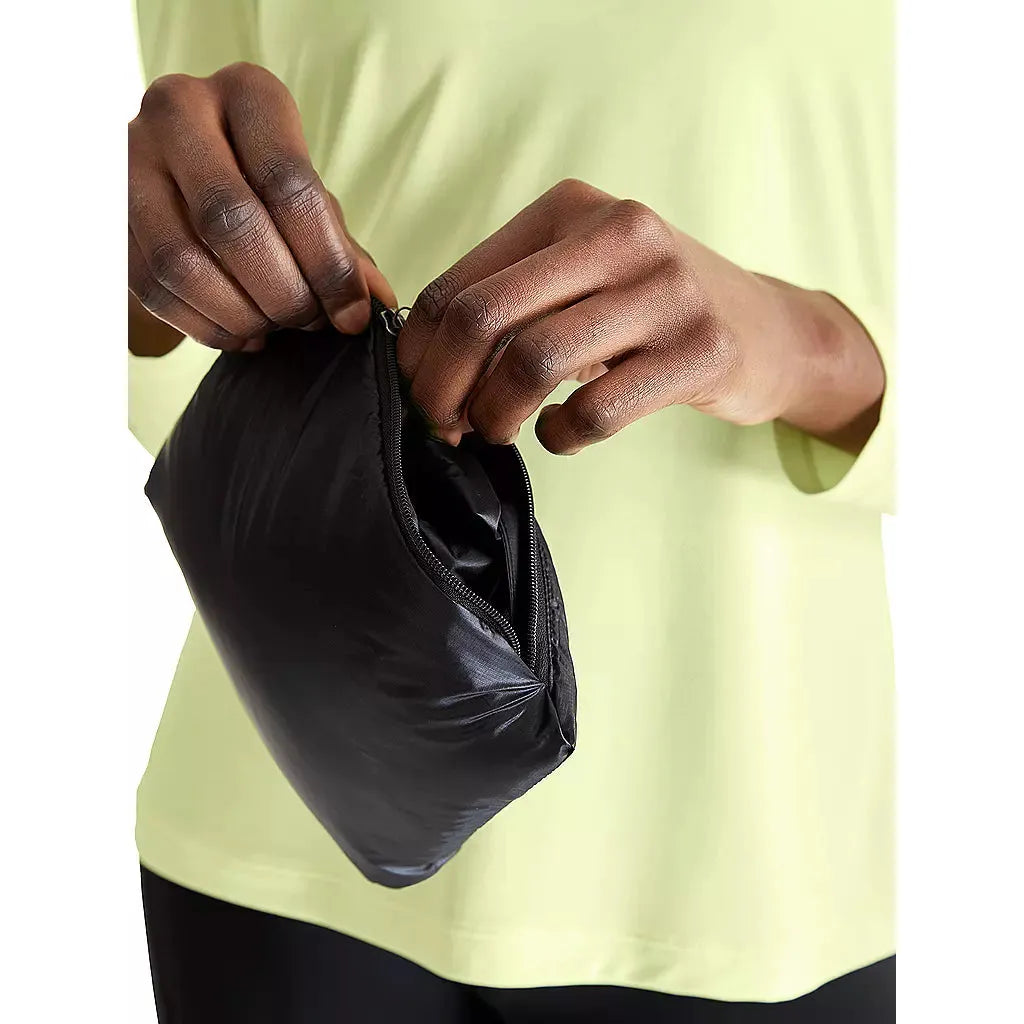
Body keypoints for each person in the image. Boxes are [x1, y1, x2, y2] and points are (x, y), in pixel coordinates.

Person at [128, 0, 896, 1020]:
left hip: (741, 866)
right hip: (274, 816)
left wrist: (805, 347)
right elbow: (177, 397)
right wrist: (140, 271)